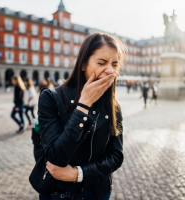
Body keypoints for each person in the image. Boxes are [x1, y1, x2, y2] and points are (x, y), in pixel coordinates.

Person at [37, 33, 125, 200]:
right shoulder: (51, 98)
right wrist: (83, 105)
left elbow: (116, 156)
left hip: (98, 192)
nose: (110, 70)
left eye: (115, 64)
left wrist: (78, 174)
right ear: (83, 64)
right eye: (101, 62)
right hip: (58, 194)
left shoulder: (113, 106)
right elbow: (56, 157)